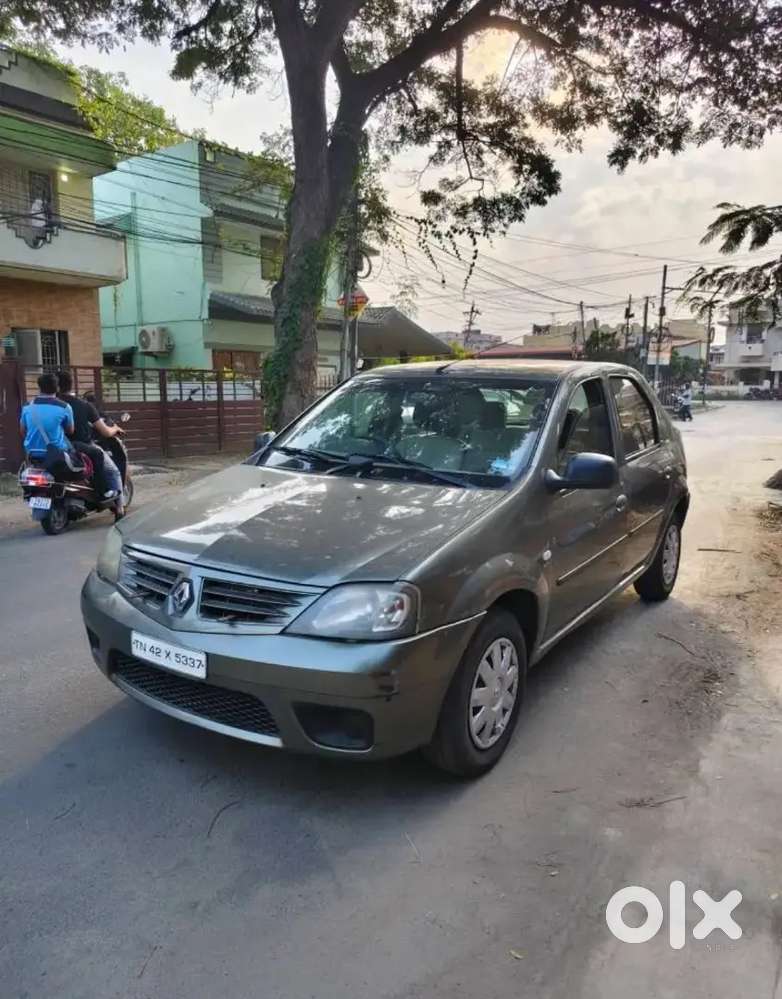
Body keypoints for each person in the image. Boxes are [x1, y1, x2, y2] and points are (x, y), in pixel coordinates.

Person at [56, 370, 126, 518]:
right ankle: (119, 509)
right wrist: (115, 428)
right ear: (71, 384)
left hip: (55, 447)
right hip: (81, 446)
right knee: (113, 471)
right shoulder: (84, 405)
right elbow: (106, 432)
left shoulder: (49, 405)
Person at [20, 372, 74, 459]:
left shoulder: (27, 407)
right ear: (57, 388)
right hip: (56, 453)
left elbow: (23, 431)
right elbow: (70, 431)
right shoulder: (64, 407)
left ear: (39, 388)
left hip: (31, 453)